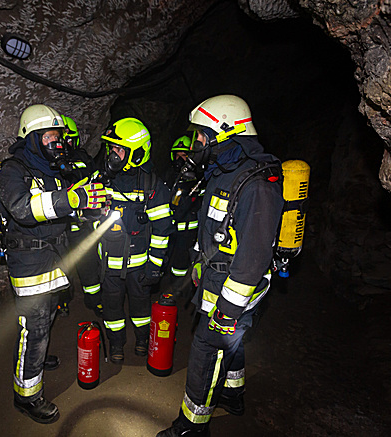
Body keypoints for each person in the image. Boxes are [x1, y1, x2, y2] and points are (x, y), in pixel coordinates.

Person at [157, 95, 284, 436]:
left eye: (202, 136)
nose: (196, 142)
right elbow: (212, 227)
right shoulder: (222, 172)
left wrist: (228, 310)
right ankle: (233, 393)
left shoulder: (256, 185)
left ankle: (192, 425)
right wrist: (200, 264)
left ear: (226, 134)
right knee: (233, 345)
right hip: (216, 277)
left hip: (234, 289)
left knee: (207, 348)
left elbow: (252, 259)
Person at [0, 104, 106, 424]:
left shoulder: (51, 170)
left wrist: (90, 206)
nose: (56, 142)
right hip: (29, 262)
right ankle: (26, 396)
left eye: (59, 136)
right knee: (35, 327)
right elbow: (23, 209)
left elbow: (61, 211)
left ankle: (37, 357)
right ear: (31, 138)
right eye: (49, 137)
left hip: (53, 257)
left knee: (45, 321)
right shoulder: (12, 171)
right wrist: (72, 199)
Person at [95, 117, 174, 363]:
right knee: (112, 310)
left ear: (137, 154)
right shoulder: (101, 179)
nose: (113, 155)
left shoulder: (152, 185)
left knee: (141, 309)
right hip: (109, 265)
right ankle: (116, 344)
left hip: (139, 266)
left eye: (120, 149)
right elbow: (87, 218)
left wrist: (154, 266)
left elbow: (162, 229)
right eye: (112, 148)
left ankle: (142, 340)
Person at [60, 114, 103, 318]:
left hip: (82, 223)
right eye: (62, 139)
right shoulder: (49, 162)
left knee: (88, 263)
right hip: (59, 226)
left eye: (69, 139)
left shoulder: (84, 158)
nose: (65, 144)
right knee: (61, 266)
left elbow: (96, 184)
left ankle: (94, 300)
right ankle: (62, 302)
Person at [162, 135, 206, 299]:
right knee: (163, 257)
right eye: (177, 155)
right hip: (169, 227)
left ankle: (178, 289)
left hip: (187, 230)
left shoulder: (200, 177)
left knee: (180, 263)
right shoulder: (168, 175)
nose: (180, 159)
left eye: (184, 155)